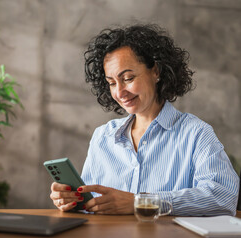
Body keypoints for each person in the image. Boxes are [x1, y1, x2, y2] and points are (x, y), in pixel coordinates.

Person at [49, 24, 239, 216]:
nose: (119, 92)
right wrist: (73, 202)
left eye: (128, 78)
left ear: (156, 71)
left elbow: (223, 197)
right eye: (112, 83)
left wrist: (141, 202)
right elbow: (91, 207)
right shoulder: (103, 137)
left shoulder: (196, 133)